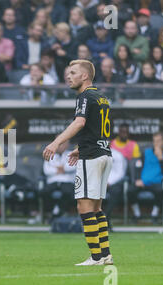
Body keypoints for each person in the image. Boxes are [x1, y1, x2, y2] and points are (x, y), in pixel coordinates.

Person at [43, 59, 113, 266]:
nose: (68, 76)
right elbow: (97, 128)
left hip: (91, 158)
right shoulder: (102, 97)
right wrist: (79, 148)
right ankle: (106, 254)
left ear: (85, 76)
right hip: (104, 153)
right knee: (97, 207)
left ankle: (96, 257)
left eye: (73, 72)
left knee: (84, 206)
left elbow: (80, 122)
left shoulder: (84, 96)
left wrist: (56, 143)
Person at [128, 132, 163, 224]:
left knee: (160, 191)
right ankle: (137, 214)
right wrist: (138, 179)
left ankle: (154, 215)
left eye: (158, 141)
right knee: (130, 190)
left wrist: (161, 158)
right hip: (142, 181)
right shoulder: (146, 152)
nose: (156, 143)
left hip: (156, 182)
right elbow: (138, 166)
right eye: (154, 141)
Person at [42, 139, 76, 220]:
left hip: (67, 181)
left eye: (63, 144)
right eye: (59, 143)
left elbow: (73, 166)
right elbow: (46, 170)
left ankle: (60, 211)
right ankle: (53, 210)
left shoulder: (72, 154)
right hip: (53, 181)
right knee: (43, 192)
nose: (61, 146)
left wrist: (60, 168)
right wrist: (60, 169)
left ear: (67, 145)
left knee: (68, 193)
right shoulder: (49, 154)